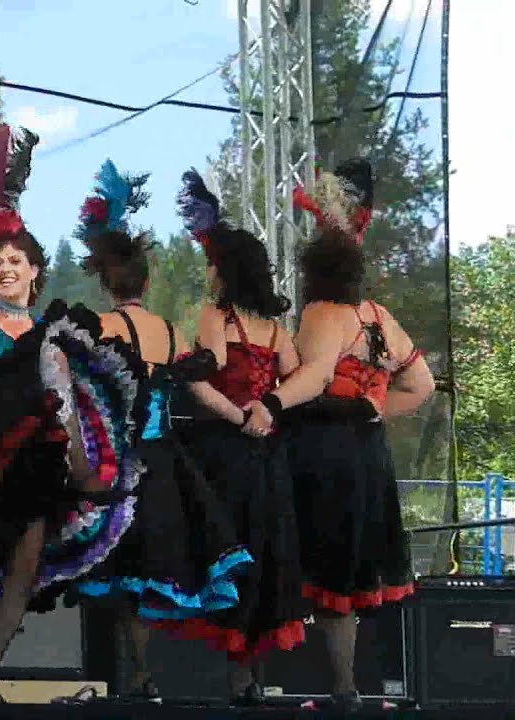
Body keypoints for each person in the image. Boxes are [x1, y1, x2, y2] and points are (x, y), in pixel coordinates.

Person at [0, 124, 142, 703]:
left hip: (36, 470)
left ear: (35, 270)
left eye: (14, 260)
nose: (4, 268)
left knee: (21, 576)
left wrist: (79, 464)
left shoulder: (53, 330)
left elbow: (65, 400)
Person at [241, 158, 434, 711]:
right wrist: (373, 409)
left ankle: (251, 686)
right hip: (366, 458)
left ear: (314, 270)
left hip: (318, 455)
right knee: (342, 578)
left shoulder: (323, 313)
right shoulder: (379, 316)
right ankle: (343, 689)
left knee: (283, 560)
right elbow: (419, 384)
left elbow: (316, 377)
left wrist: (271, 401)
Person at [62, 160, 253, 704]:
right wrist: (247, 413)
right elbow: (200, 381)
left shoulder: (97, 327)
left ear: (105, 279)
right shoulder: (168, 332)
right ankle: (145, 678)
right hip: (164, 462)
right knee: (149, 571)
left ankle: (133, 677)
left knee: (117, 572)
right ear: (146, 281)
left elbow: (74, 395)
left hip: (113, 464)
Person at [158, 169, 307, 705]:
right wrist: (266, 413)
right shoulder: (273, 325)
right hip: (267, 456)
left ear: (223, 270)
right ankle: (245, 680)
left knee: (214, 551)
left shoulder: (214, 314)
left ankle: (195, 681)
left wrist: (236, 414)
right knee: (261, 555)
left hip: (222, 453)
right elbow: (295, 377)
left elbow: (204, 376)